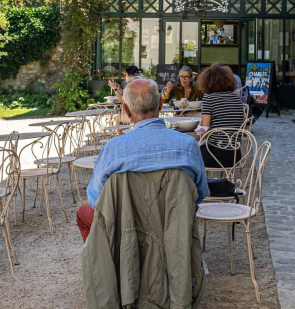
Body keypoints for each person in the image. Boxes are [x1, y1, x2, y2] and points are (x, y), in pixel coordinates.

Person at [76, 78, 209, 242]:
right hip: (173, 226)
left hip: (126, 229)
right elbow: (200, 194)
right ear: (161, 103)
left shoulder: (114, 148)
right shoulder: (188, 145)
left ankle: (112, 263)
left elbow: (96, 199)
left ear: (127, 110)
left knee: (83, 213)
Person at [197, 63, 245, 167]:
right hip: (235, 156)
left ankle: (202, 183)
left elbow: (203, 133)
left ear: (207, 81)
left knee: (191, 154)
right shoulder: (237, 99)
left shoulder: (208, 98)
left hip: (215, 155)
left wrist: (196, 130)